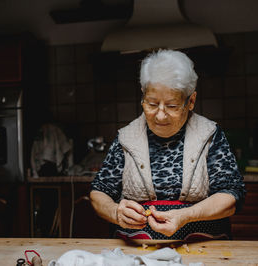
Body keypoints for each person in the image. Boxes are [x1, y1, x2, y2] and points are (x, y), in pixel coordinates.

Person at [90, 49, 246, 240]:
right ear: (142, 96)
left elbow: (231, 196)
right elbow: (99, 193)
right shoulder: (126, 137)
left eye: (172, 106)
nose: (160, 115)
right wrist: (115, 212)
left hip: (203, 248)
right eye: (152, 104)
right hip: (135, 252)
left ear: (191, 101)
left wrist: (186, 216)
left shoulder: (210, 134)